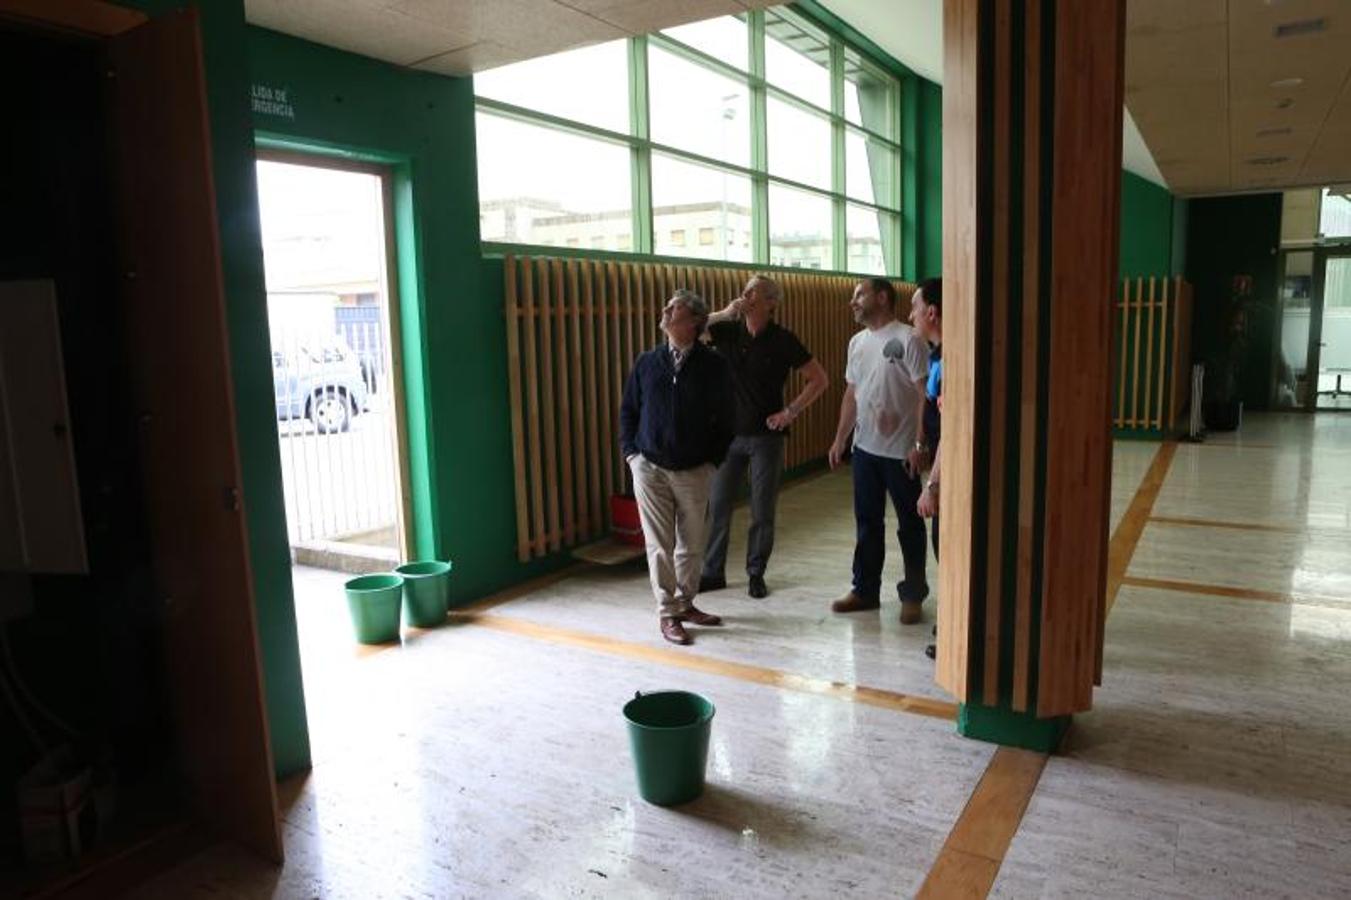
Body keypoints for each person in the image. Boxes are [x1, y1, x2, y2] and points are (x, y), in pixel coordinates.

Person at [700, 276, 830, 599]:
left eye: (753, 290)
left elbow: (819, 379)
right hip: (729, 436)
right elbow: (693, 327)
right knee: (717, 506)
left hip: (766, 438)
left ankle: (756, 572)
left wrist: (791, 411)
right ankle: (712, 572)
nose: (746, 293)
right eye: (744, 288)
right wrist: (723, 313)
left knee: (762, 509)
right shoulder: (728, 330)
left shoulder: (783, 339)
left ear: (771, 303)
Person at [620, 289, 735, 646]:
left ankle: (686, 602)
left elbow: (728, 419)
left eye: (675, 310)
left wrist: (712, 462)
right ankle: (668, 612)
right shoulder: (647, 362)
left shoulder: (714, 366)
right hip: (649, 467)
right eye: (667, 307)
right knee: (659, 544)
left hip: (694, 470)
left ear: (695, 323)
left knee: (692, 544)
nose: (666, 312)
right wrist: (632, 456)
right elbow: (629, 411)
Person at [827, 278, 931, 624]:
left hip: (901, 453)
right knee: (867, 522)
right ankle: (865, 591)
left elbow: (923, 396)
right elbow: (851, 393)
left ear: (882, 298)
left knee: (910, 526)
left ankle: (913, 594)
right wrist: (841, 438)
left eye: (860, 295)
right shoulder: (857, 342)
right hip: (865, 451)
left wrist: (919, 443)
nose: (853, 301)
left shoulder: (909, 339)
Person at [909, 279, 942, 658]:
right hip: (940, 467)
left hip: (950, 478)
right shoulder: (938, 357)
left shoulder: (947, 361)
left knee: (947, 552)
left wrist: (932, 486)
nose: (911, 315)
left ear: (931, 313)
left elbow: (950, 431)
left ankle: (957, 630)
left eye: (915, 307)